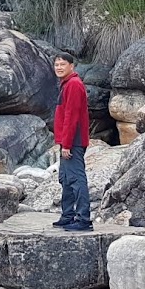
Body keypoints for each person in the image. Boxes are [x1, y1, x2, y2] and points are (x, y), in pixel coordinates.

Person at [52, 52, 92, 231]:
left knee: (76, 179)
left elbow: (72, 116)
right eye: (56, 64)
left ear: (71, 66)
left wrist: (67, 144)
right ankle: (68, 215)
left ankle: (83, 220)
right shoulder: (66, 84)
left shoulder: (74, 84)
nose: (59, 67)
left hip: (73, 141)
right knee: (66, 179)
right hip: (67, 140)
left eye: (62, 64)